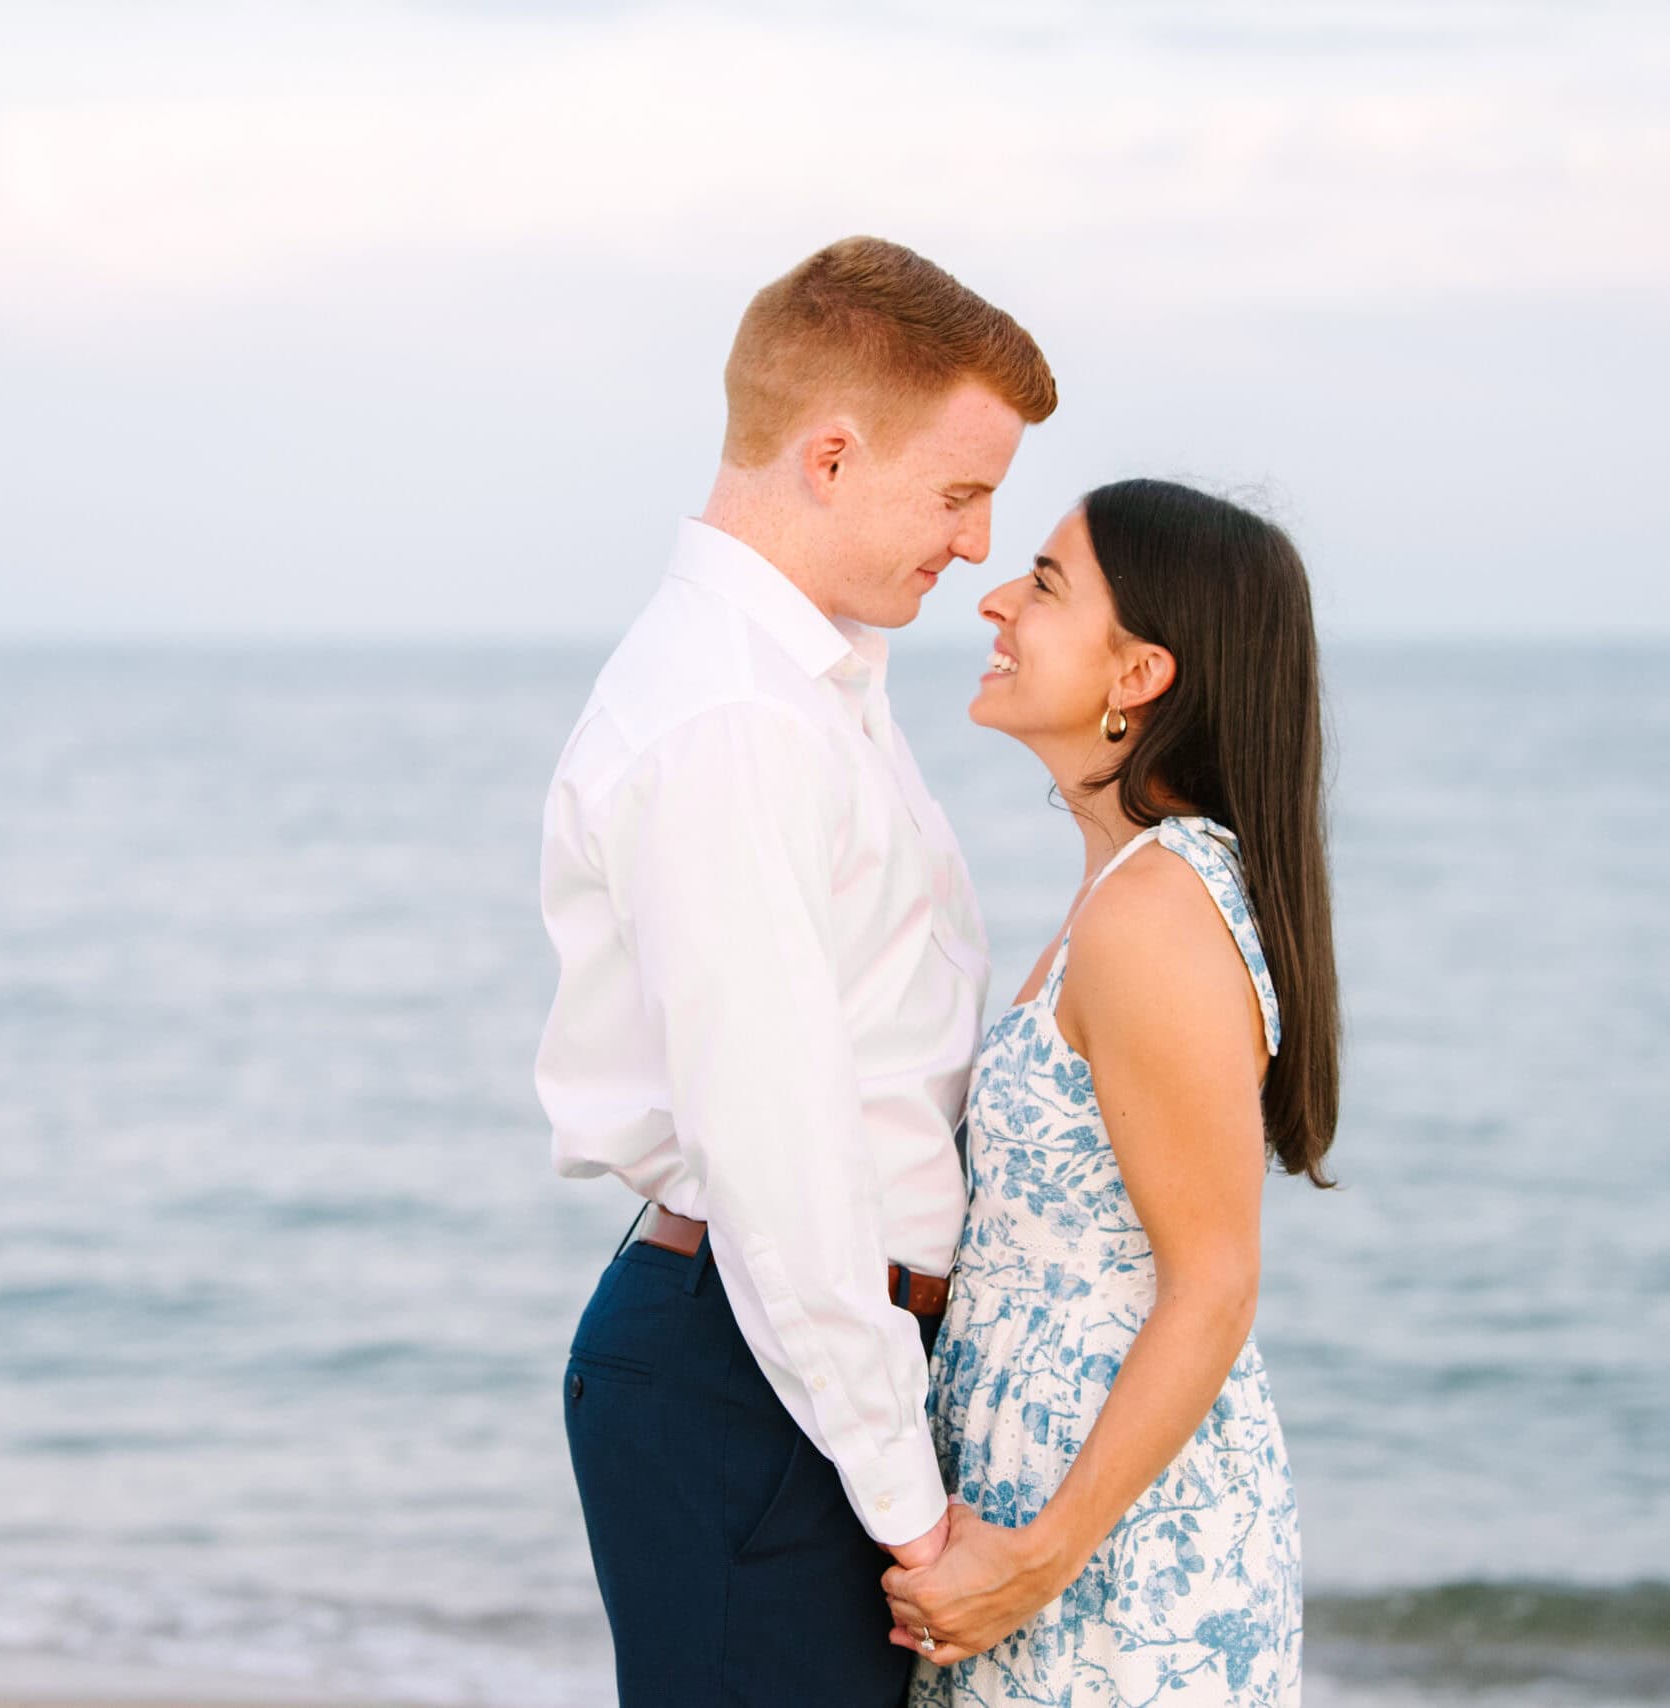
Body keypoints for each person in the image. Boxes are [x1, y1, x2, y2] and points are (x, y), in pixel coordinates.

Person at [532, 236, 1055, 1705]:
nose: (976, 545)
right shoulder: (734, 725)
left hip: (789, 1368)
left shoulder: (800, 691)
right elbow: (782, 1151)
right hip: (754, 1379)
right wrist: (910, 1509)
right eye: (960, 492)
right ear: (830, 456)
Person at [883, 480, 1341, 1706]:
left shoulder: (1151, 914)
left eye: (1042, 583)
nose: (993, 598)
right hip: (1058, 1519)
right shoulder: (1125, 893)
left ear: (1137, 673)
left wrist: (1038, 1560)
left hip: (1111, 1561)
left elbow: (1215, 1282)